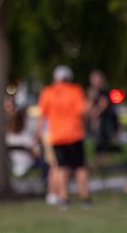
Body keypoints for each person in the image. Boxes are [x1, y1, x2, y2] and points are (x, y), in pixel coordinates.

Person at [37, 65, 90, 207]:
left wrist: (37, 134)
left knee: (61, 168)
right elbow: (83, 111)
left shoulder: (47, 92)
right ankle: (85, 198)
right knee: (80, 167)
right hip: (75, 134)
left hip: (57, 136)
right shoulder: (75, 90)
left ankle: (63, 198)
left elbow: (42, 116)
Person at [87, 69, 119, 153]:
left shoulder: (103, 91)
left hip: (105, 122)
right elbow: (88, 107)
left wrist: (95, 116)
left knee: (104, 146)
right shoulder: (93, 92)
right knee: (99, 146)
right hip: (99, 123)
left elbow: (103, 105)